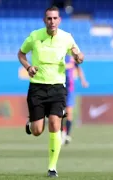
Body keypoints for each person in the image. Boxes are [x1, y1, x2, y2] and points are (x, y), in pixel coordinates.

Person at [17, 6, 84, 177]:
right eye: (49, 18)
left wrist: (78, 56)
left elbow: (78, 55)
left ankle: (52, 167)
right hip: (37, 88)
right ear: (44, 20)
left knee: (55, 123)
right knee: (37, 130)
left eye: (55, 18)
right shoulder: (35, 36)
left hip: (57, 88)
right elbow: (21, 54)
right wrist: (28, 67)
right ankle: (32, 122)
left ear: (59, 20)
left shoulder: (66, 38)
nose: (52, 21)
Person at [61, 55, 89, 145]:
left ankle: (67, 135)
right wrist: (67, 66)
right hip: (59, 87)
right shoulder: (58, 53)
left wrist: (83, 80)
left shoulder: (72, 56)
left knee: (69, 112)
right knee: (60, 112)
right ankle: (61, 133)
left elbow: (78, 68)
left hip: (70, 88)